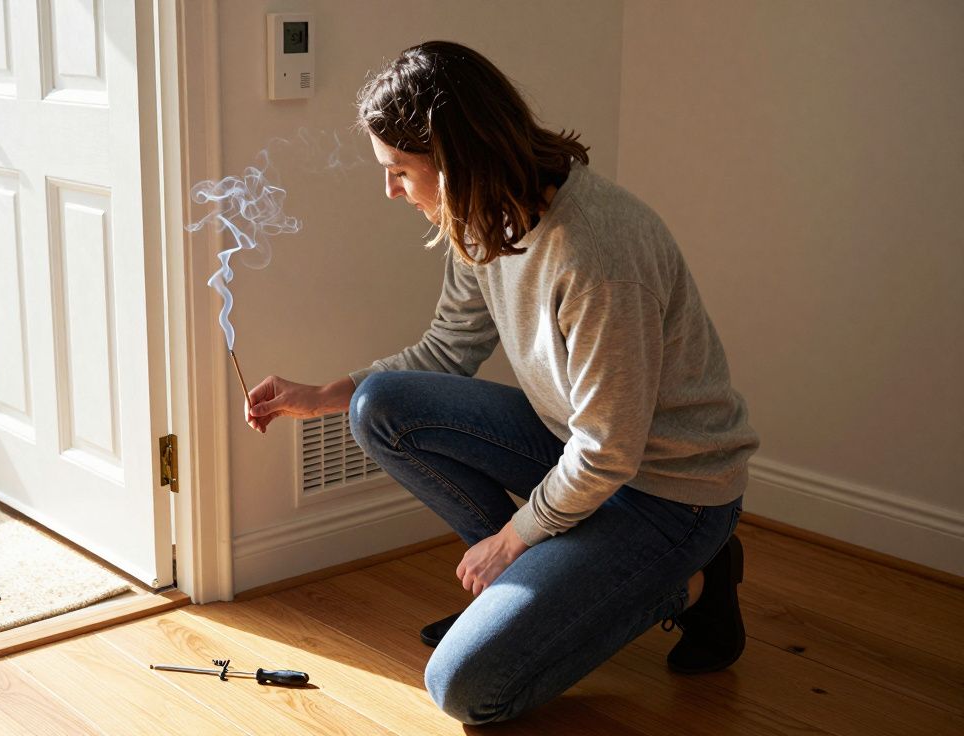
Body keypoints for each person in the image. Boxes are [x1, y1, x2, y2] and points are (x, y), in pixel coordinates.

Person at [244, 41, 760, 725]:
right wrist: (323, 395)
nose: (390, 190)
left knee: (469, 691)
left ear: (454, 157)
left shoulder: (597, 255)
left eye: (399, 169)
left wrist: (514, 536)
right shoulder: (483, 217)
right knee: (377, 407)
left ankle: (692, 583)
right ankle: (532, 591)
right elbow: (448, 348)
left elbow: (611, 451)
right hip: (578, 452)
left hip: (671, 493)